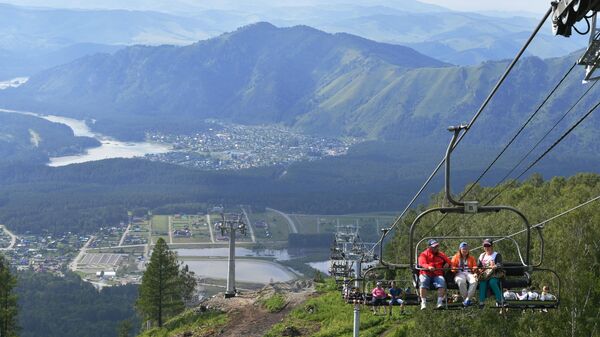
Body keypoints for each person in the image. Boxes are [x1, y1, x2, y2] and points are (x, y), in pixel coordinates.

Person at [418, 239, 451, 310]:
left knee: (442, 281)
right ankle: (423, 302)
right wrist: (428, 267)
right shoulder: (424, 254)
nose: (436, 248)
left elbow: (448, 260)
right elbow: (422, 263)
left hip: (437, 274)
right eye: (434, 247)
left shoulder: (441, 254)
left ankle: (439, 302)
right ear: (429, 247)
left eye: (437, 246)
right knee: (423, 281)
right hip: (426, 273)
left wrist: (447, 264)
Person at [477, 239, 504, 309]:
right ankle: (481, 302)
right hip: (485, 274)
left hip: (495, 274)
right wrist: (479, 270)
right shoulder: (482, 256)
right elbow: (478, 266)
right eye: (485, 246)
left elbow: (499, 264)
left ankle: (500, 300)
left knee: (492, 282)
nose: (487, 248)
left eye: (488, 246)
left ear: (492, 246)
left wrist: (495, 266)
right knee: (482, 282)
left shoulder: (496, 255)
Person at [450, 241, 478, 306]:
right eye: (463, 249)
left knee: (474, 281)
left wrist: (475, 270)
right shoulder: (455, 257)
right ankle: (467, 299)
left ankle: (467, 300)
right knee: (461, 281)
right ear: (460, 249)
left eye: (466, 249)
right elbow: (452, 267)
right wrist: (455, 269)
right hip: (459, 273)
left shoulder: (471, 258)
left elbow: (474, 266)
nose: (465, 250)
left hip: (468, 273)